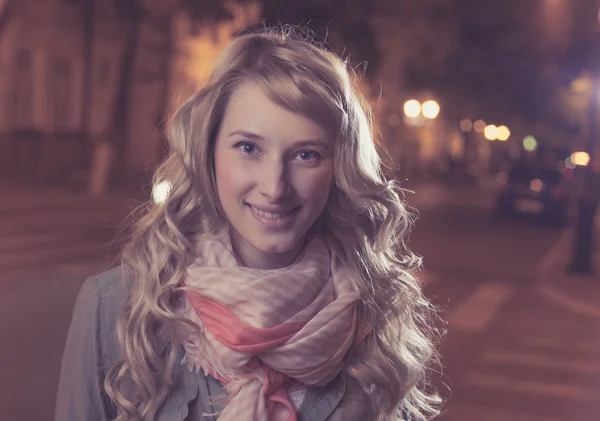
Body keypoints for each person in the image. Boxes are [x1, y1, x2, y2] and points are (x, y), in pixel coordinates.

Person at [55, 29, 442, 421]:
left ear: (339, 169)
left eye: (306, 155)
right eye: (248, 148)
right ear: (209, 152)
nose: (275, 187)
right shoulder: (114, 308)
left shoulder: (374, 323)